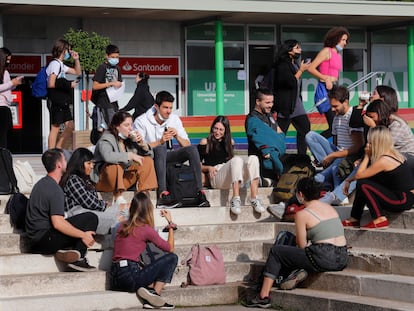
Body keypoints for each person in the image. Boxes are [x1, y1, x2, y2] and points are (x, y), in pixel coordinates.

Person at [245, 177, 348, 308]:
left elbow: (302, 245)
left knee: (277, 252)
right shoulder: (331, 208)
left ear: (300, 195)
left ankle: (263, 295)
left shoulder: (302, 214)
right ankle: (296, 272)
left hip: (323, 256)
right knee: (295, 251)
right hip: (343, 257)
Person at [134, 90, 210, 208]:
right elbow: (140, 148)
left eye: (170, 108)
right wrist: (160, 141)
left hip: (169, 157)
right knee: (160, 149)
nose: (168, 111)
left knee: (192, 150)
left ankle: (199, 192)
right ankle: (162, 195)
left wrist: (177, 136)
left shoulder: (174, 119)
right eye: (165, 108)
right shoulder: (141, 121)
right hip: (151, 158)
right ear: (156, 107)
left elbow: (187, 144)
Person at [25, 148, 98, 272]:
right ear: (59, 165)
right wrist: (83, 235)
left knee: (81, 220)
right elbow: (58, 223)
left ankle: (68, 252)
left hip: (37, 240)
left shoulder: (42, 184)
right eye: (64, 159)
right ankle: (78, 258)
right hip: (43, 241)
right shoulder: (54, 189)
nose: (67, 162)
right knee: (91, 218)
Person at [110, 191, 178, 310]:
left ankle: (150, 292)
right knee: (172, 258)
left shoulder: (121, 226)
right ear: (148, 210)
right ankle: (155, 295)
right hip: (130, 276)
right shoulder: (146, 229)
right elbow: (170, 248)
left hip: (115, 278)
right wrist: (170, 224)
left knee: (146, 266)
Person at [342, 126, 414, 229]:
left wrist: (366, 156)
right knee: (363, 183)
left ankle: (379, 218)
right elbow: (365, 175)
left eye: (370, 142)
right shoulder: (391, 155)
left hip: (402, 199)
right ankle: (355, 218)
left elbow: (359, 175)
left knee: (363, 184)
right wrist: (349, 180)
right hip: (402, 197)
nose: (367, 145)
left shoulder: (384, 160)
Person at [198, 115, 264, 215]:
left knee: (253, 158)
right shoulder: (205, 142)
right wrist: (208, 168)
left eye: (221, 129)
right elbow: (196, 165)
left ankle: (254, 197)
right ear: (212, 128)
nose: (217, 132)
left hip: (232, 176)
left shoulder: (230, 142)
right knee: (236, 160)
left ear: (225, 131)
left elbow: (231, 163)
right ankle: (235, 199)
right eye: (215, 128)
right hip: (216, 176)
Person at [305, 85, 364, 190]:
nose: (332, 109)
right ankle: (325, 165)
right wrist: (326, 157)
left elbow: (357, 146)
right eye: (331, 106)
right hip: (336, 153)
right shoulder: (336, 118)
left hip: (347, 156)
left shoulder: (352, 116)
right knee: (310, 136)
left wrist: (332, 156)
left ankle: (333, 185)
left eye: (335, 106)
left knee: (318, 178)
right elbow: (336, 143)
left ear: (345, 102)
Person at [91, 111, 157, 204]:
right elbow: (107, 156)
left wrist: (142, 144)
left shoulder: (129, 139)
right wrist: (129, 155)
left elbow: (150, 156)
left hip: (123, 180)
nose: (130, 128)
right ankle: (118, 196)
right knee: (115, 165)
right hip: (105, 180)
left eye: (131, 125)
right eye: (126, 125)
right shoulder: (106, 138)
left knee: (147, 161)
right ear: (117, 126)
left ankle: (143, 194)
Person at [60, 147, 119, 235]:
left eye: (92, 163)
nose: (92, 166)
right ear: (79, 164)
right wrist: (103, 205)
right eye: (89, 163)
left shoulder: (85, 180)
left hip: (89, 212)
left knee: (126, 211)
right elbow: (88, 201)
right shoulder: (72, 179)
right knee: (121, 220)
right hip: (79, 215)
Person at [308, 27, 350, 138]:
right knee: (332, 125)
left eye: (346, 40)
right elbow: (311, 68)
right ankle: (313, 141)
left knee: (337, 123)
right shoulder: (326, 51)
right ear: (336, 39)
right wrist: (325, 78)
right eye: (343, 40)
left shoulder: (338, 55)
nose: (345, 43)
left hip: (334, 88)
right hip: (325, 88)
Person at [273, 39, 311, 155]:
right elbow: (290, 82)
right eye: (297, 48)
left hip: (296, 104)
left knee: (305, 129)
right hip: (286, 106)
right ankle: (275, 157)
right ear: (289, 50)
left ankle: (302, 157)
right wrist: (301, 70)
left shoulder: (293, 64)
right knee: (280, 134)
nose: (300, 50)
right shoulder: (283, 65)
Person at [245, 87, 286, 185]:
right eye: (267, 103)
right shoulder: (252, 119)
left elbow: (281, 136)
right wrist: (273, 139)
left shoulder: (269, 116)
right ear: (258, 102)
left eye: (272, 102)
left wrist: (274, 140)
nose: (271, 105)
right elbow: (261, 141)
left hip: (275, 161)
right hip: (262, 165)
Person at [46, 38, 81, 149]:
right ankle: (51, 152)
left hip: (62, 100)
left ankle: (58, 148)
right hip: (56, 99)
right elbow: (51, 83)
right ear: (63, 50)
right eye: (68, 50)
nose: (69, 53)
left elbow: (77, 72)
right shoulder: (55, 64)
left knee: (70, 125)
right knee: (55, 127)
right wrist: (68, 84)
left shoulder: (61, 65)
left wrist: (76, 60)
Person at [92, 44, 124, 126]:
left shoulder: (117, 68)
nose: (115, 59)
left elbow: (119, 82)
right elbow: (95, 86)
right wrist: (111, 83)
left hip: (114, 102)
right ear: (107, 56)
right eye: (113, 57)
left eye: (117, 57)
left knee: (116, 125)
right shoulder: (102, 67)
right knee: (111, 126)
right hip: (104, 102)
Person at [0, 49, 23, 148]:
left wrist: (14, 84)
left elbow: (7, 87)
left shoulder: (5, 72)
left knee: (6, 135)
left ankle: (4, 157)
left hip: (6, 105)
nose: (8, 62)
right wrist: (11, 83)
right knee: (2, 137)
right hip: (1, 107)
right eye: (7, 60)